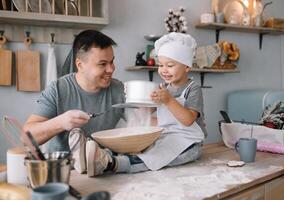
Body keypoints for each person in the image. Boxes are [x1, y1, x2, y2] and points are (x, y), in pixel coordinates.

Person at [69, 32, 207, 177]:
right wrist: (143, 105)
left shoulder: (193, 88)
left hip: (188, 143)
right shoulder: (165, 88)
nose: (163, 70)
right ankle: (94, 155)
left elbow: (188, 119)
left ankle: (110, 164)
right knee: (142, 148)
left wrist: (168, 100)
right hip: (166, 136)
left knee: (157, 157)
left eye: (170, 65)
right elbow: (154, 114)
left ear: (187, 67)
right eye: (160, 65)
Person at [23, 30, 125, 158]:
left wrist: (157, 101)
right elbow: (26, 137)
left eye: (112, 62)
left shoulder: (119, 89)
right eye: (103, 64)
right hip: (64, 171)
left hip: (105, 168)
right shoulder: (57, 90)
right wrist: (60, 122)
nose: (111, 69)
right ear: (80, 65)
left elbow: (144, 122)